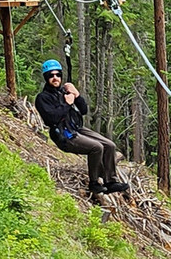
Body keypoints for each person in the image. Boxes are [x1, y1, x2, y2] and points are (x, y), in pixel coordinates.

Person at [34, 59, 128, 194]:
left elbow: (83, 110)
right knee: (96, 148)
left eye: (57, 75)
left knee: (110, 145)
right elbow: (52, 119)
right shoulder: (43, 98)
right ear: (46, 78)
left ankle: (111, 181)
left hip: (76, 129)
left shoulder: (64, 92)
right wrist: (67, 104)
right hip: (63, 135)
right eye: (51, 75)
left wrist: (76, 95)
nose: (55, 78)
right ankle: (94, 182)